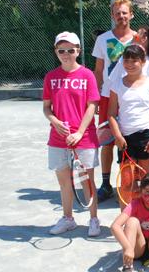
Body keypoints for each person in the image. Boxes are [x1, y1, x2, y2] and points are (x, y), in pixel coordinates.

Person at [43, 31, 101, 237]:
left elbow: (92, 106)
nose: (66, 54)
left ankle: (94, 219)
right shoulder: (51, 77)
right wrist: (55, 122)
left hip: (84, 139)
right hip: (57, 140)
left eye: (70, 50)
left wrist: (79, 133)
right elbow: (47, 108)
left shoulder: (87, 75)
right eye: (61, 50)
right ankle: (68, 219)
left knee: (87, 180)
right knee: (64, 181)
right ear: (56, 52)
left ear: (78, 50)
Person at [93, 0, 139, 202]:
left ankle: (131, 183)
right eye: (117, 13)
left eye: (124, 12)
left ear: (131, 15)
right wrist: (94, 97)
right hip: (107, 97)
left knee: (132, 139)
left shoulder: (138, 39)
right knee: (107, 142)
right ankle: (105, 184)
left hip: (131, 98)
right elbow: (99, 70)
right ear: (112, 15)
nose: (121, 16)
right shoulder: (103, 39)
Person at [107, 45, 149, 210]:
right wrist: (117, 136)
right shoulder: (116, 84)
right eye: (126, 60)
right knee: (126, 183)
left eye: (135, 61)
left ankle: (148, 217)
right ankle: (126, 219)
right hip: (125, 139)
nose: (130, 64)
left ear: (143, 62)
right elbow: (111, 114)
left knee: (147, 183)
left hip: (146, 136)